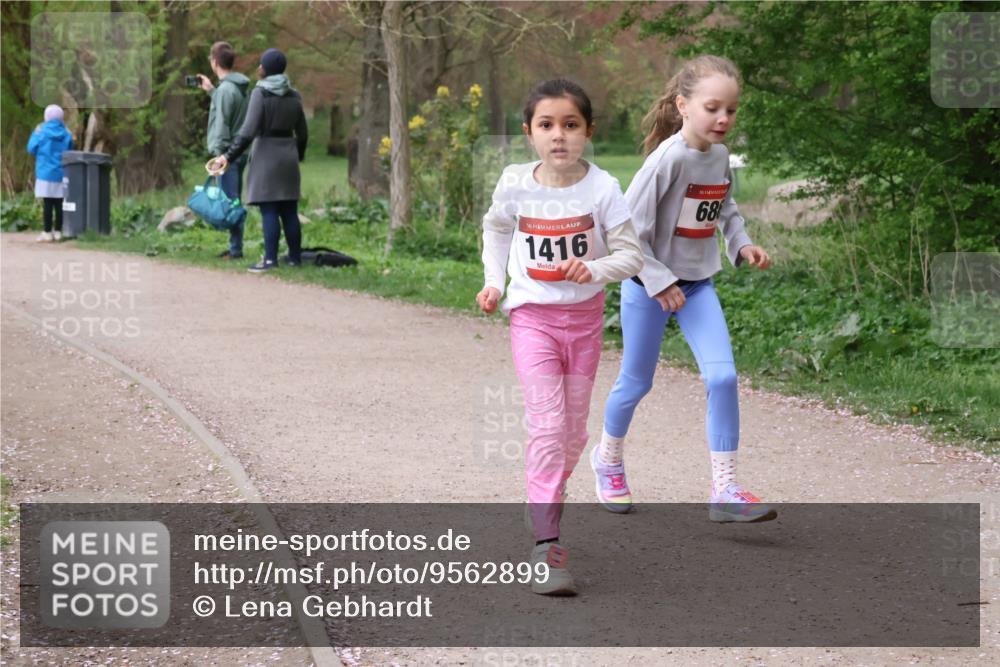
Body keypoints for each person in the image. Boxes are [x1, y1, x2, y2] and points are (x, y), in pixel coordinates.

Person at [477, 79, 644, 595]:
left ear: (588, 132)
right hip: (533, 319)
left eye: (570, 125)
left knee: (571, 436)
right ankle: (546, 547)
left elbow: (631, 255)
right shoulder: (515, 182)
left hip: (585, 323)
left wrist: (593, 269)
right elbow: (497, 229)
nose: (559, 136)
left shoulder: (603, 189)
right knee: (548, 428)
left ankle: (541, 493)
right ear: (529, 132)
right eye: (546, 125)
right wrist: (494, 280)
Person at [594, 55, 776, 523]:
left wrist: (743, 244)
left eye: (731, 110)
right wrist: (658, 281)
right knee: (637, 382)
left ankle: (725, 490)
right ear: (683, 105)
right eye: (713, 107)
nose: (723, 119)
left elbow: (726, 207)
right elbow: (626, 233)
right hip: (646, 286)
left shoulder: (718, 157)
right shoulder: (667, 160)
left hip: (696, 287)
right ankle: (608, 460)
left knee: (723, 377)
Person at [208, 48, 307, 273]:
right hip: (288, 156)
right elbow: (303, 131)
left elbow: (247, 131)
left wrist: (227, 156)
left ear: (265, 68)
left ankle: (270, 260)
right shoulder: (295, 95)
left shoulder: (260, 93)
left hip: (266, 156)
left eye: (261, 64)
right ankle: (294, 258)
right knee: (290, 210)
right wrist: (298, 155)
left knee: (269, 209)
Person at [198, 41, 250, 260]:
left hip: (227, 154)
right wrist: (211, 91)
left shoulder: (226, 90)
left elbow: (222, 126)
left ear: (214, 62)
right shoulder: (237, 87)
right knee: (233, 200)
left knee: (231, 203)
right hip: (239, 153)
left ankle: (236, 249)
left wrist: (220, 155)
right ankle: (234, 246)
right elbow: (228, 107)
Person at [27, 104, 73, 242]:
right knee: (59, 202)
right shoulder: (66, 132)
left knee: (47, 202)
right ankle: (58, 231)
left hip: (45, 172)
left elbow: (31, 148)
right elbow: (70, 148)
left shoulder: (41, 131)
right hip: (61, 172)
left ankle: (47, 232)